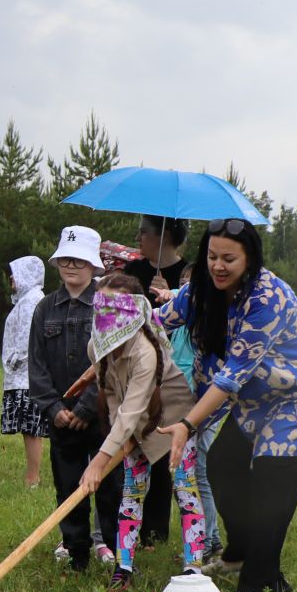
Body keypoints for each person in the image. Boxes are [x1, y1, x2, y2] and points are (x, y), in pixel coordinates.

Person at [157, 218, 297, 592]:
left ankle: (260, 583)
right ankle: (240, 554)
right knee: (223, 466)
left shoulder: (267, 298)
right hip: (256, 398)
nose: (218, 266)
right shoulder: (202, 289)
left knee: (272, 486)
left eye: (229, 259)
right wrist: (108, 351)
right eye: (211, 257)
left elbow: (230, 377)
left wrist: (187, 424)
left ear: (250, 259)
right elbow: (157, 322)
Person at [75, 274, 205, 590]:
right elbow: (114, 397)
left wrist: (98, 462)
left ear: (132, 312)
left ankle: (193, 567)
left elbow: (132, 408)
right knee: (132, 490)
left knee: (184, 489)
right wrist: (125, 438)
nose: (106, 315)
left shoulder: (146, 352)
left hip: (175, 417)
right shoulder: (97, 346)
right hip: (135, 424)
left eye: (115, 308)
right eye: (101, 306)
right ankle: (124, 567)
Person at [24, 226, 123, 569]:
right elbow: (35, 365)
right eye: (65, 259)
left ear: (94, 265)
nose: (71, 266)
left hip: (103, 415)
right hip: (61, 419)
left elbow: (114, 361)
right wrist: (53, 407)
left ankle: (112, 546)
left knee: (110, 485)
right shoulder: (45, 308)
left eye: (79, 260)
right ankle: (76, 548)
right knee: (67, 485)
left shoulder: (108, 306)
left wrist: (86, 405)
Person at [124, 216, 193, 547]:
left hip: (171, 374)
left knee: (165, 448)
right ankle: (127, 528)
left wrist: (173, 297)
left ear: (166, 236)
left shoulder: (190, 275)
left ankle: (155, 531)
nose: (139, 237)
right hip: (135, 371)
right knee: (134, 445)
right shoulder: (132, 274)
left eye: (145, 232)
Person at [0, 254, 48, 488]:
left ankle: (33, 476)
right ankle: (32, 473)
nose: (11, 280)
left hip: (27, 376)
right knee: (28, 428)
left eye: (15, 275)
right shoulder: (26, 299)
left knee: (31, 427)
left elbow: (28, 339)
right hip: (22, 375)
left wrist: (13, 361)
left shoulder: (32, 301)